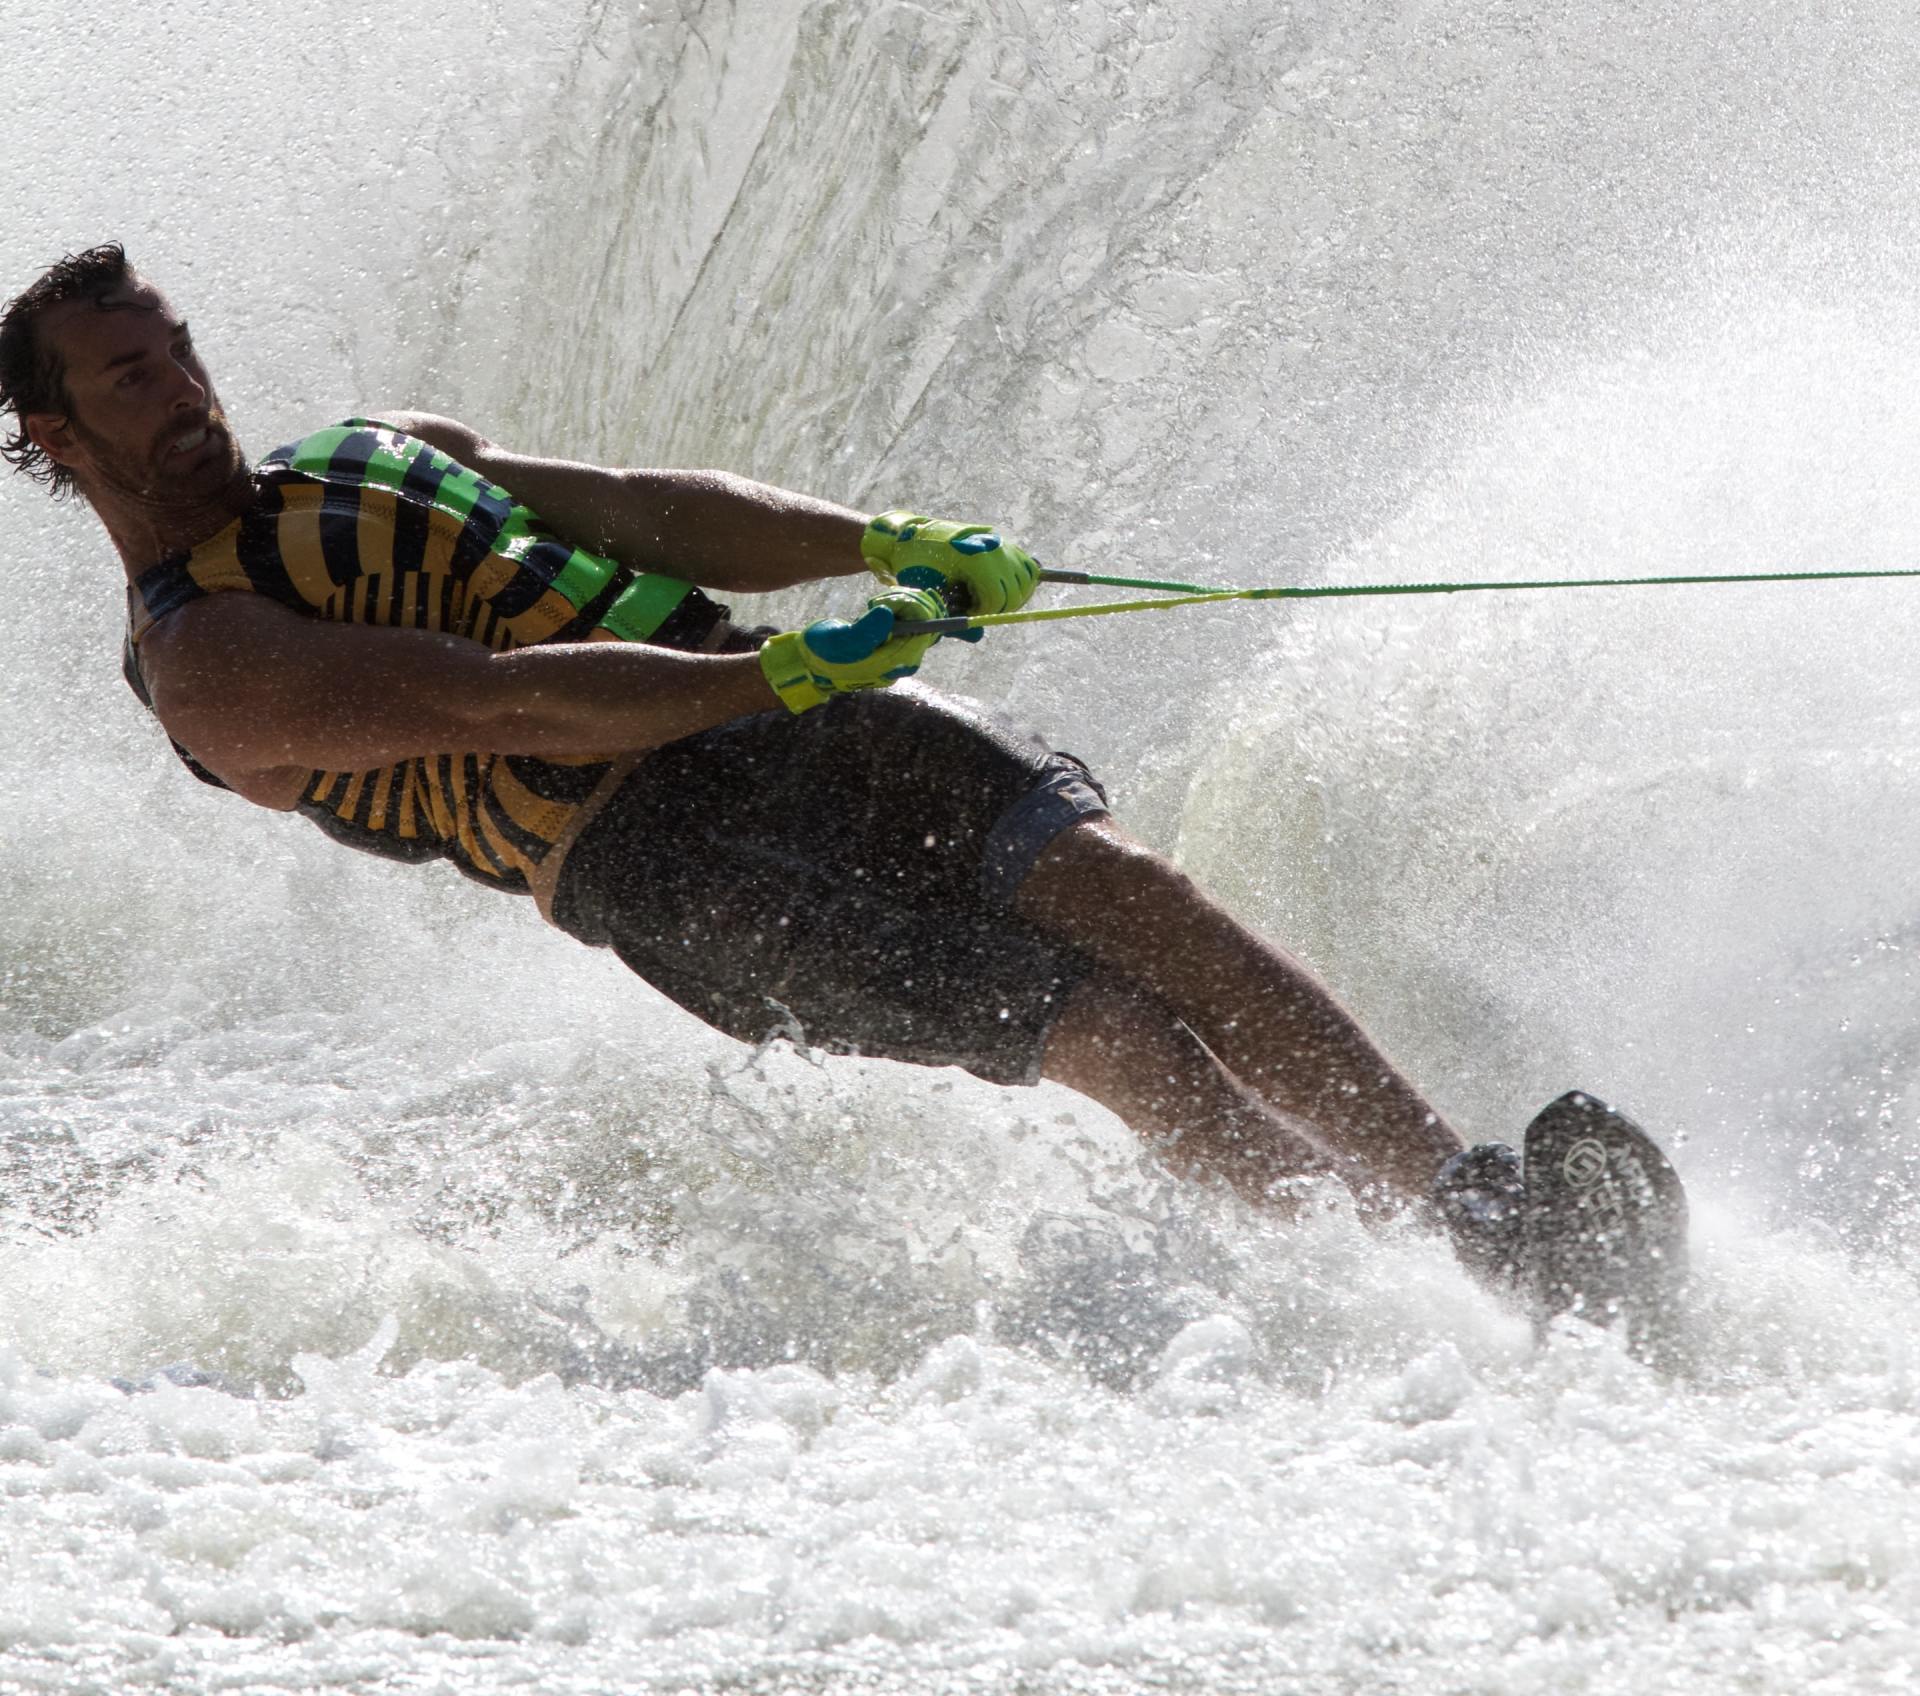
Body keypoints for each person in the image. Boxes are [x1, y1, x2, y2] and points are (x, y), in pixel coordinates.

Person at [0, 241, 1563, 1285]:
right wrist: (775, 668)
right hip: (660, 866)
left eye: (178, 350)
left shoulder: (372, 453)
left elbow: (633, 509)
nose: (183, 389)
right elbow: (494, 705)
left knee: (1130, 891)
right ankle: (1412, 1294)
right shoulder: (206, 664)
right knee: (1104, 1029)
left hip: (774, 720)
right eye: (129, 379)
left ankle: (1482, 1209)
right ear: (58, 440)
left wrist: (875, 541)